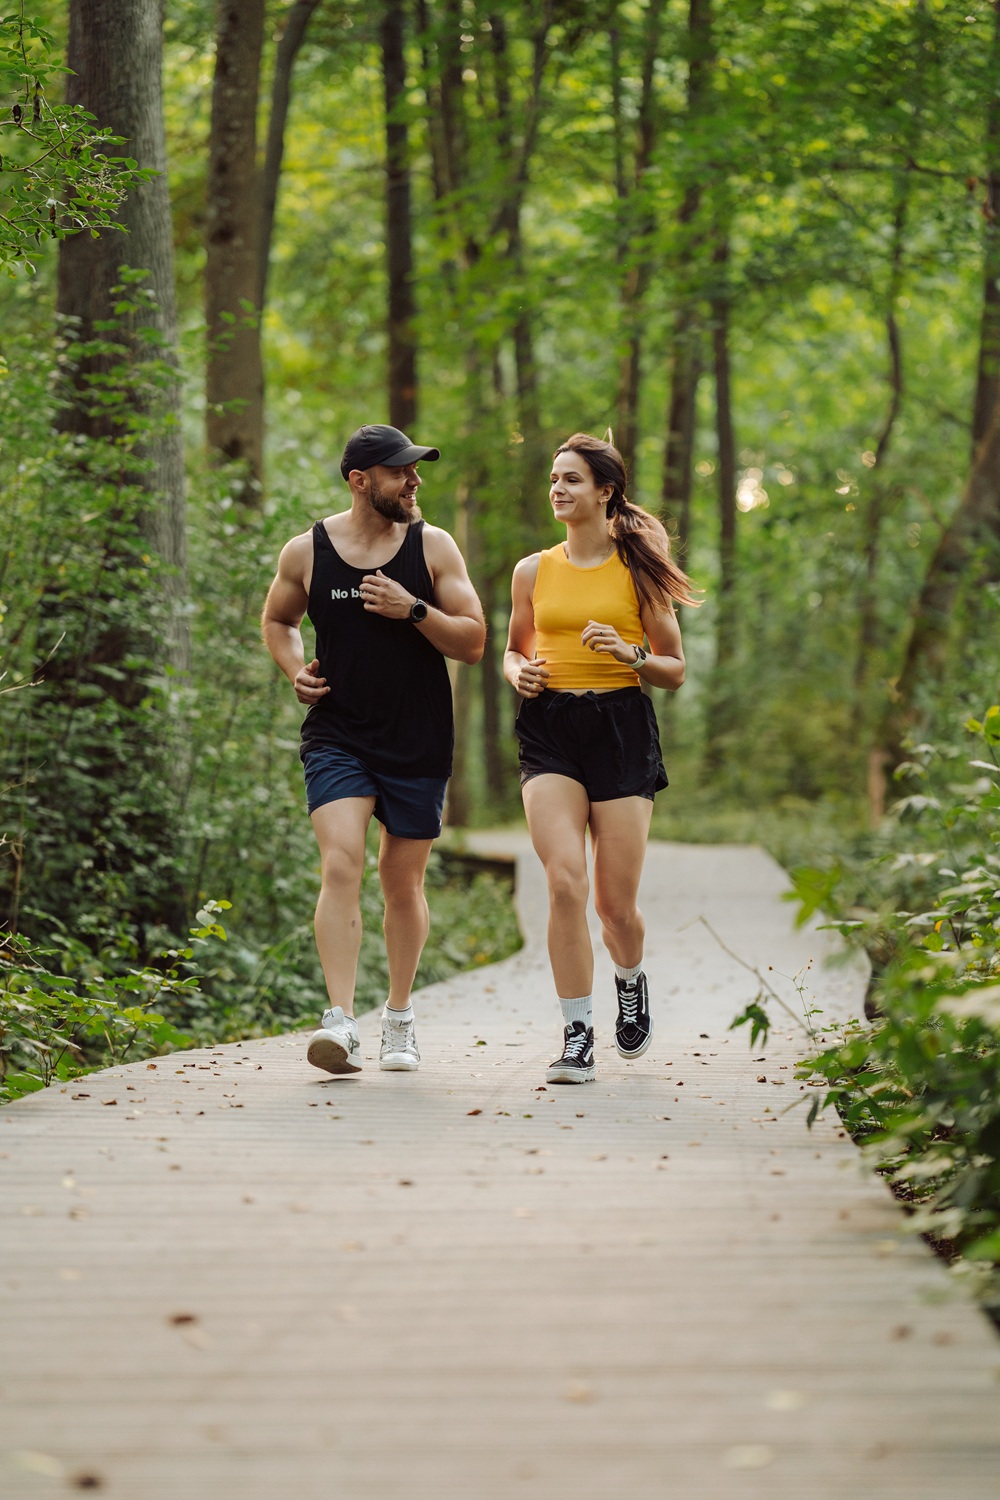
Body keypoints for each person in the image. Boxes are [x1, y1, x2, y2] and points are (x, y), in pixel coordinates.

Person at [262, 424, 486, 1076]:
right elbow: (278, 620)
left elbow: (472, 641)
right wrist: (292, 668)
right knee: (341, 863)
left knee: (401, 881)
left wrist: (412, 609)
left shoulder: (433, 546)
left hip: (417, 738)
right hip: (338, 734)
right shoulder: (307, 552)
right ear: (361, 481)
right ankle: (340, 1020)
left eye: (416, 470)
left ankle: (399, 1014)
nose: (415, 480)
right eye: (400, 471)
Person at [503, 431, 700, 1084]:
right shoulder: (533, 570)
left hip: (620, 728)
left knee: (615, 908)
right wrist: (518, 673)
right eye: (554, 479)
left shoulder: (637, 571)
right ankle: (578, 1034)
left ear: (605, 491)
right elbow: (512, 648)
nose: (557, 490)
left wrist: (628, 653)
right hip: (550, 727)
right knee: (564, 881)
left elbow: (673, 670)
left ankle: (629, 976)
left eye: (571, 480)